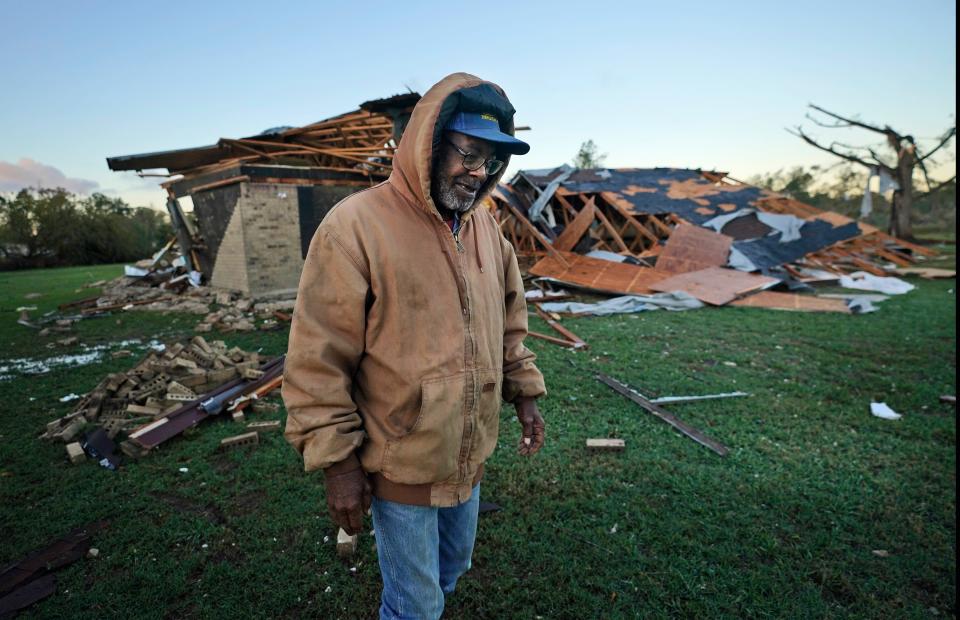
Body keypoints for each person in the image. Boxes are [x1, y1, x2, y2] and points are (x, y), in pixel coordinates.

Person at [282, 72, 547, 619]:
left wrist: (524, 391)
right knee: (414, 606)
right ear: (427, 143)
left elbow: (510, 323)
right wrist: (339, 465)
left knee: (453, 570)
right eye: (468, 153)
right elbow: (317, 360)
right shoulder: (354, 228)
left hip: (466, 456)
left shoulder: (486, 232)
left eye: (492, 160)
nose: (479, 173)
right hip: (399, 463)